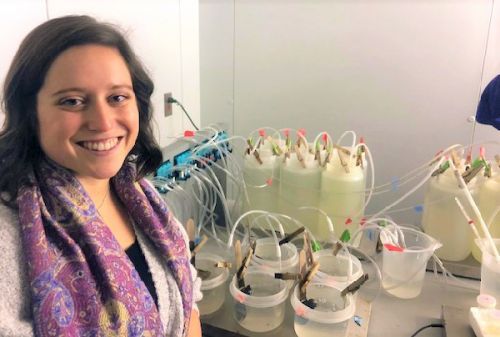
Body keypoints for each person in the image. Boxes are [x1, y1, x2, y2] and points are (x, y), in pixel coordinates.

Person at [0, 15, 202, 337]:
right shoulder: (10, 234)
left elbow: (187, 296)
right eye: (72, 101)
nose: (103, 122)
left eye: (117, 97)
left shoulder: (141, 196)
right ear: (31, 113)